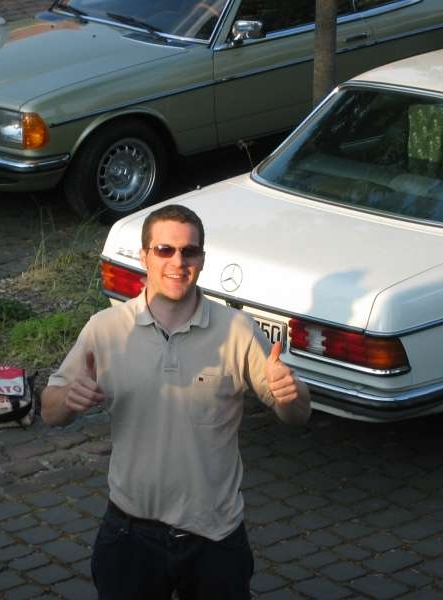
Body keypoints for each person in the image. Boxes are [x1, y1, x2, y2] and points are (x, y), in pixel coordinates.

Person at [41, 204, 311, 599]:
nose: (178, 262)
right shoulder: (106, 329)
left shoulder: (236, 329)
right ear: (144, 256)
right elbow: (50, 412)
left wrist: (291, 394)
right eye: (165, 250)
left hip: (215, 536)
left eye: (189, 251)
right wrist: (68, 399)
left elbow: (297, 416)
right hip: (130, 533)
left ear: (202, 259)